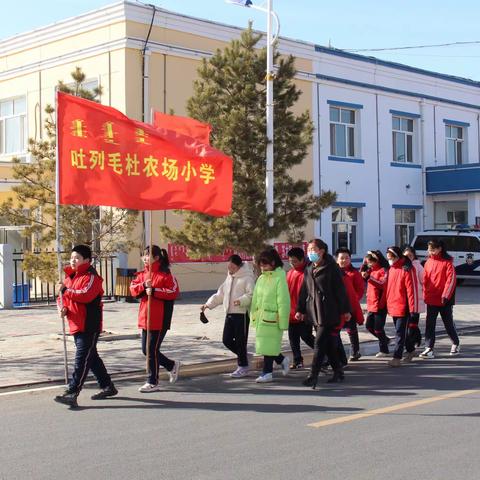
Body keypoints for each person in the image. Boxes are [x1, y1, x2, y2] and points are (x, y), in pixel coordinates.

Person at [54, 244, 117, 407]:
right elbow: (61, 297)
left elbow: (85, 295)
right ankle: (107, 386)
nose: (73, 260)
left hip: (89, 324)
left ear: (86, 260)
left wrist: (66, 290)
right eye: (72, 257)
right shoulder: (70, 277)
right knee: (92, 357)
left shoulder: (92, 277)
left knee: (82, 358)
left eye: (77, 258)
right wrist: (62, 307)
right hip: (75, 323)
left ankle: (73, 391)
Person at [297, 239, 351, 388]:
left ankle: (313, 376)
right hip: (314, 311)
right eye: (308, 249)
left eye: (313, 249)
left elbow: (340, 290)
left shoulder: (332, 268)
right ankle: (338, 371)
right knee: (327, 345)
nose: (310, 252)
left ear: (322, 251)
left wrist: (345, 310)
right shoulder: (309, 267)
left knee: (319, 343)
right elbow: (304, 290)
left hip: (328, 311)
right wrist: (300, 309)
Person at [130, 246, 180, 392]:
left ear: (157, 257)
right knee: (146, 350)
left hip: (160, 318)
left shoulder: (165, 275)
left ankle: (152, 381)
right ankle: (171, 365)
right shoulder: (141, 275)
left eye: (148, 255)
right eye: (143, 256)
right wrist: (144, 286)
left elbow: (173, 291)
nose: (145, 258)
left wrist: (155, 291)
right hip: (145, 317)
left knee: (151, 350)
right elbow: (132, 289)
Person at [202, 254, 255, 378]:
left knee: (241, 342)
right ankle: (245, 357)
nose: (229, 269)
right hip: (229, 313)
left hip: (241, 314)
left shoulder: (247, 278)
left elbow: (251, 295)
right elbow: (220, 294)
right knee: (226, 340)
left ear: (238, 266)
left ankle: (243, 366)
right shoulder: (229, 278)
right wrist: (208, 305)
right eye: (228, 267)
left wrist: (241, 301)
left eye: (232, 267)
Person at [250, 248, 290, 383]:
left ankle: (267, 373)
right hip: (262, 317)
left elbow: (283, 301)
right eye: (261, 265)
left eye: (265, 264)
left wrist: (283, 321)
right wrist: (253, 314)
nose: (263, 268)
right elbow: (255, 298)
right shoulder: (261, 278)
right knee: (266, 346)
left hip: (274, 318)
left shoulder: (279, 278)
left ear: (273, 263)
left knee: (268, 345)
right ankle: (282, 360)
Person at [420, 240, 459, 359]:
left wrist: (445, 295)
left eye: (432, 249)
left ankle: (455, 343)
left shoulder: (448, 263)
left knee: (448, 323)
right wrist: (424, 294)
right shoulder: (428, 262)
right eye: (428, 249)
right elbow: (424, 279)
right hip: (431, 298)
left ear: (439, 249)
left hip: (444, 300)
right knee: (429, 324)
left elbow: (451, 281)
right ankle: (429, 348)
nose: (429, 251)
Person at [385, 246, 419, 367]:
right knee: (401, 332)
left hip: (403, 306)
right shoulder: (391, 269)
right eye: (388, 257)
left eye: (391, 257)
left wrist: (413, 308)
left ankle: (397, 357)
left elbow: (411, 291)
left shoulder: (406, 269)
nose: (389, 259)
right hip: (393, 305)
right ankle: (411, 350)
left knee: (399, 333)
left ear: (397, 257)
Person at [286, 247, 315, 369]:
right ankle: (297, 360)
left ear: (302, 259)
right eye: (290, 261)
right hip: (290, 311)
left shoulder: (308, 272)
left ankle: (324, 352)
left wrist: (305, 310)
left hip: (303, 311)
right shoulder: (290, 273)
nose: (292, 264)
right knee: (293, 338)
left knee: (306, 335)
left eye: (295, 261)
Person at [335, 247, 365, 361]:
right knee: (336, 332)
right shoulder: (334, 272)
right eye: (341, 258)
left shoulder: (354, 273)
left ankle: (355, 351)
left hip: (350, 306)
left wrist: (353, 299)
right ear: (337, 259)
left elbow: (360, 289)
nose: (344, 260)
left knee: (351, 330)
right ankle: (340, 354)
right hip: (337, 308)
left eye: (347, 258)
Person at [362, 250, 390, 357]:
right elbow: (363, 273)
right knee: (369, 326)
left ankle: (384, 349)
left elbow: (382, 284)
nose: (368, 264)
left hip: (380, 304)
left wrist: (370, 278)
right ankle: (385, 340)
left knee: (378, 328)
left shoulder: (383, 270)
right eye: (367, 262)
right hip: (371, 304)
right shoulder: (371, 270)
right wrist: (365, 266)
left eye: (370, 262)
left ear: (375, 261)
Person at [403, 246, 425, 351]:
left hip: (416, 299)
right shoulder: (401, 266)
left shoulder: (418, 266)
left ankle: (411, 345)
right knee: (408, 324)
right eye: (406, 256)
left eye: (410, 256)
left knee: (412, 324)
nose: (408, 258)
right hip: (404, 300)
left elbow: (424, 281)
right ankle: (417, 339)